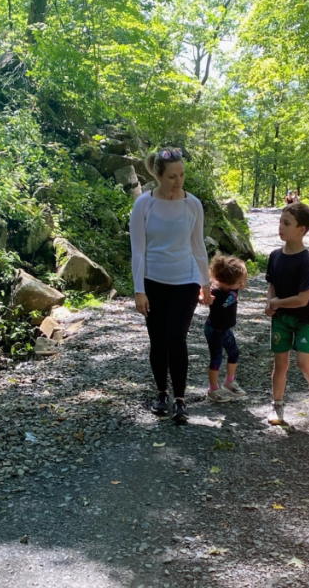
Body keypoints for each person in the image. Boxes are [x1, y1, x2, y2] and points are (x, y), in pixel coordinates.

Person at [130, 146, 212, 425]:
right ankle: (161, 393)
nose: (178, 181)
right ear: (158, 175)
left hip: (185, 280)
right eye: (172, 177)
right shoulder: (144, 204)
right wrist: (139, 290)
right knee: (158, 338)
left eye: (182, 175)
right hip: (153, 280)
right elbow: (138, 250)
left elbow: (198, 246)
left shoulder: (193, 204)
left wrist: (205, 283)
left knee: (176, 336)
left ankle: (179, 399)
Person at [264, 201, 309, 424]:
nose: (280, 227)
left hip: (303, 318)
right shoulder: (274, 256)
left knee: (303, 362)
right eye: (280, 222)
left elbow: (303, 299)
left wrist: (276, 303)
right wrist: (270, 302)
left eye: (287, 223)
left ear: (301, 230)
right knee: (280, 364)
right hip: (280, 318)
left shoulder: (306, 260)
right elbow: (272, 284)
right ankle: (277, 406)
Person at [203, 254, 249, 404]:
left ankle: (229, 382)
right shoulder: (216, 291)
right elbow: (202, 294)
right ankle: (213, 389)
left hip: (225, 328)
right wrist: (203, 298)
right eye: (239, 282)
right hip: (214, 329)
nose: (242, 284)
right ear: (228, 283)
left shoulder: (234, 287)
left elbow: (242, 281)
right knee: (216, 358)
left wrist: (241, 278)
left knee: (234, 353)